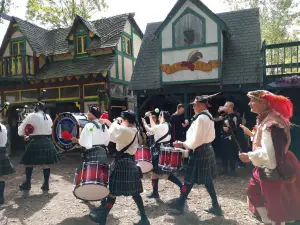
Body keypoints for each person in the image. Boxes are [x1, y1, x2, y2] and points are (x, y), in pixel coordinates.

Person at [239, 90, 300, 225]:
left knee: (275, 204)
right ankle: (267, 220)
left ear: (264, 102)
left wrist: (249, 156)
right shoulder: (266, 118)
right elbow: (265, 142)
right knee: (253, 192)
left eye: (252, 101)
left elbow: (270, 154)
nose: (249, 104)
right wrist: (252, 135)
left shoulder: (271, 123)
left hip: (272, 166)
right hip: (264, 165)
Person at [89, 110, 150, 225]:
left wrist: (111, 121)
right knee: (134, 192)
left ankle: (102, 217)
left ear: (126, 120)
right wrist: (117, 122)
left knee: (113, 191)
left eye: (123, 120)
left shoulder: (127, 130)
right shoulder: (133, 129)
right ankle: (144, 219)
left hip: (123, 163)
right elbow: (118, 131)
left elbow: (112, 135)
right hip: (129, 162)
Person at [171, 94, 221, 215]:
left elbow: (197, 140)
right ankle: (215, 206)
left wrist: (182, 144)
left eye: (195, 105)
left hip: (200, 150)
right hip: (205, 149)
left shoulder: (202, 118)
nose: (193, 108)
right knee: (205, 180)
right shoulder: (206, 116)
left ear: (201, 105)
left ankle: (180, 203)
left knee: (189, 179)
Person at [18, 102, 60, 191]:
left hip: (35, 140)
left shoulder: (32, 116)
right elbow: (49, 130)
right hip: (47, 141)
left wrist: (23, 134)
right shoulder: (47, 116)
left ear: (36, 108)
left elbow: (21, 129)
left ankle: (27, 183)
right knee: (45, 164)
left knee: (28, 163)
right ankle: (46, 184)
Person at [142, 111, 183, 199]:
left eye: (160, 116)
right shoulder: (167, 125)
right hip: (164, 150)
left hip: (159, 150)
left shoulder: (162, 126)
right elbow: (153, 131)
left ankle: (182, 187)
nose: (159, 118)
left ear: (163, 117)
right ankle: (156, 192)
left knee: (161, 173)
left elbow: (150, 130)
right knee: (159, 172)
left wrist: (145, 122)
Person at [218, 102, 246, 175]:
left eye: (225, 106)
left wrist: (229, 128)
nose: (224, 107)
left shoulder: (235, 116)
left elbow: (238, 129)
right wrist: (218, 112)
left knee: (232, 153)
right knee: (223, 153)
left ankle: (233, 170)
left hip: (232, 139)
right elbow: (216, 120)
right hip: (224, 138)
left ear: (230, 107)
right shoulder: (224, 115)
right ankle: (224, 169)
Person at [0, 117, 16, 204]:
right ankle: (1, 197)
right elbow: (6, 143)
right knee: (0, 177)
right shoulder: (3, 127)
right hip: (2, 153)